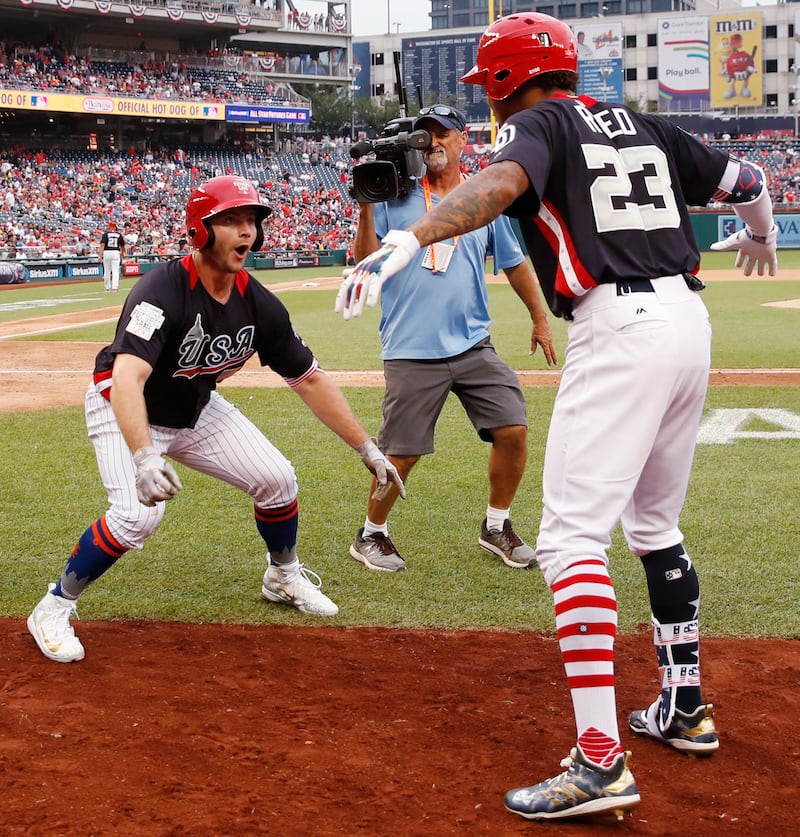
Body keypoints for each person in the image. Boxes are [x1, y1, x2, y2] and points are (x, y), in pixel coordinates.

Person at [337, 13, 777, 821]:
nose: (490, 105)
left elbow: (499, 188)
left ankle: (601, 761)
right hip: (689, 325)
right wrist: (760, 234)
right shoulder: (645, 123)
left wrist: (413, 237)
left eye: (489, 86)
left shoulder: (538, 122)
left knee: (572, 540)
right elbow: (750, 182)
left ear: (507, 80)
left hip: (619, 328)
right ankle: (683, 706)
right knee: (654, 525)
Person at [27, 175, 405, 664]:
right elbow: (127, 377)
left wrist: (366, 448)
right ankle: (54, 606)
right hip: (123, 404)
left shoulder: (258, 303)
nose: (246, 231)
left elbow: (308, 379)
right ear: (199, 232)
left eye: (251, 221)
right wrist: (143, 455)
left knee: (277, 479)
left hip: (193, 407)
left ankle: (282, 575)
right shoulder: (162, 288)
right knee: (137, 516)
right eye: (230, 220)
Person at [343, 104, 556, 572]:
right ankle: (371, 534)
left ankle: (496, 526)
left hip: (473, 343)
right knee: (402, 453)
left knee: (513, 430)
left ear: (464, 140)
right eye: (425, 135)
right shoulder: (393, 198)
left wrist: (540, 319)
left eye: (443, 134)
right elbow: (364, 262)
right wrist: (365, 205)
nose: (434, 142)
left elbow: (516, 263)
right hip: (411, 348)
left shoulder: (483, 198)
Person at [99, 219, 125, 292]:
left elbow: (102, 245)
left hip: (107, 252)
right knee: (115, 271)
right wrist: (122, 253)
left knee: (107, 271)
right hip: (115, 252)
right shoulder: (119, 234)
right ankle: (115, 287)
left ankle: (107, 287)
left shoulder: (105, 234)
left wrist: (100, 255)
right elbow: (122, 245)